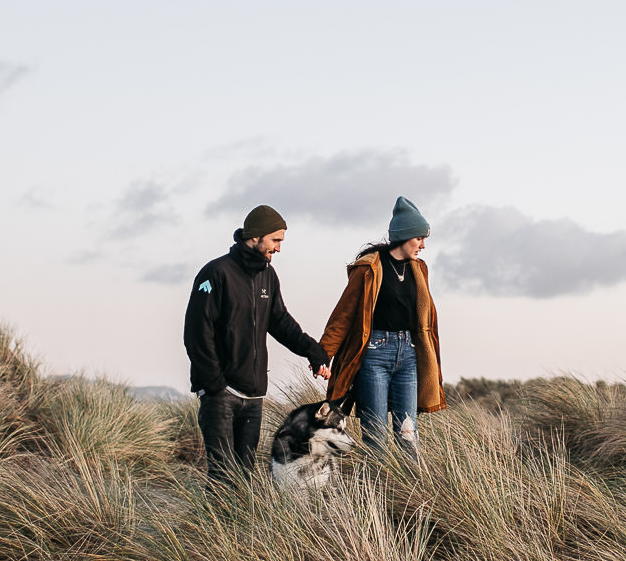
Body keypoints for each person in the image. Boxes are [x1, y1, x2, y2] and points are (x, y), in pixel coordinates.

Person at [184, 204, 331, 482]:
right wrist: (214, 383)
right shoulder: (215, 273)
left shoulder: (267, 276)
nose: (278, 248)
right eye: (275, 240)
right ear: (255, 236)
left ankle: (235, 527)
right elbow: (196, 332)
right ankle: (214, 526)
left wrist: (314, 352)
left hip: (253, 396)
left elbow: (281, 323)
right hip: (221, 394)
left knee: (244, 477)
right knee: (223, 475)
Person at [319, 196, 445, 457]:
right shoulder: (368, 268)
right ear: (404, 235)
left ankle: (408, 494)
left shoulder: (419, 269)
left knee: (408, 434)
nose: (422, 245)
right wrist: (323, 354)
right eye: (419, 238)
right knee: (375, 435)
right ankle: (375, 492)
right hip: (374, 354)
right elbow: (343, 316)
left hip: (409, 354)